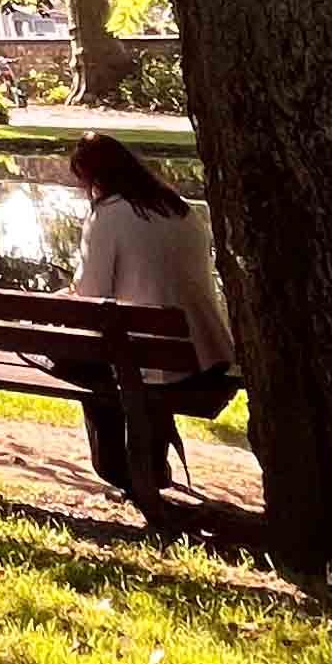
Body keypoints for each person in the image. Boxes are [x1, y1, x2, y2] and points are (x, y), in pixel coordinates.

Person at [64, 131, 243, 504]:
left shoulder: (108, 215)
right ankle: (152, 462)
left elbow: (91, 294)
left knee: (80, 364)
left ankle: (121, 468)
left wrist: (66, 294)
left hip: (156, 363)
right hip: (206, 353)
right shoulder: (179, 207)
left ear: (94, 178)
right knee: (127, 356)